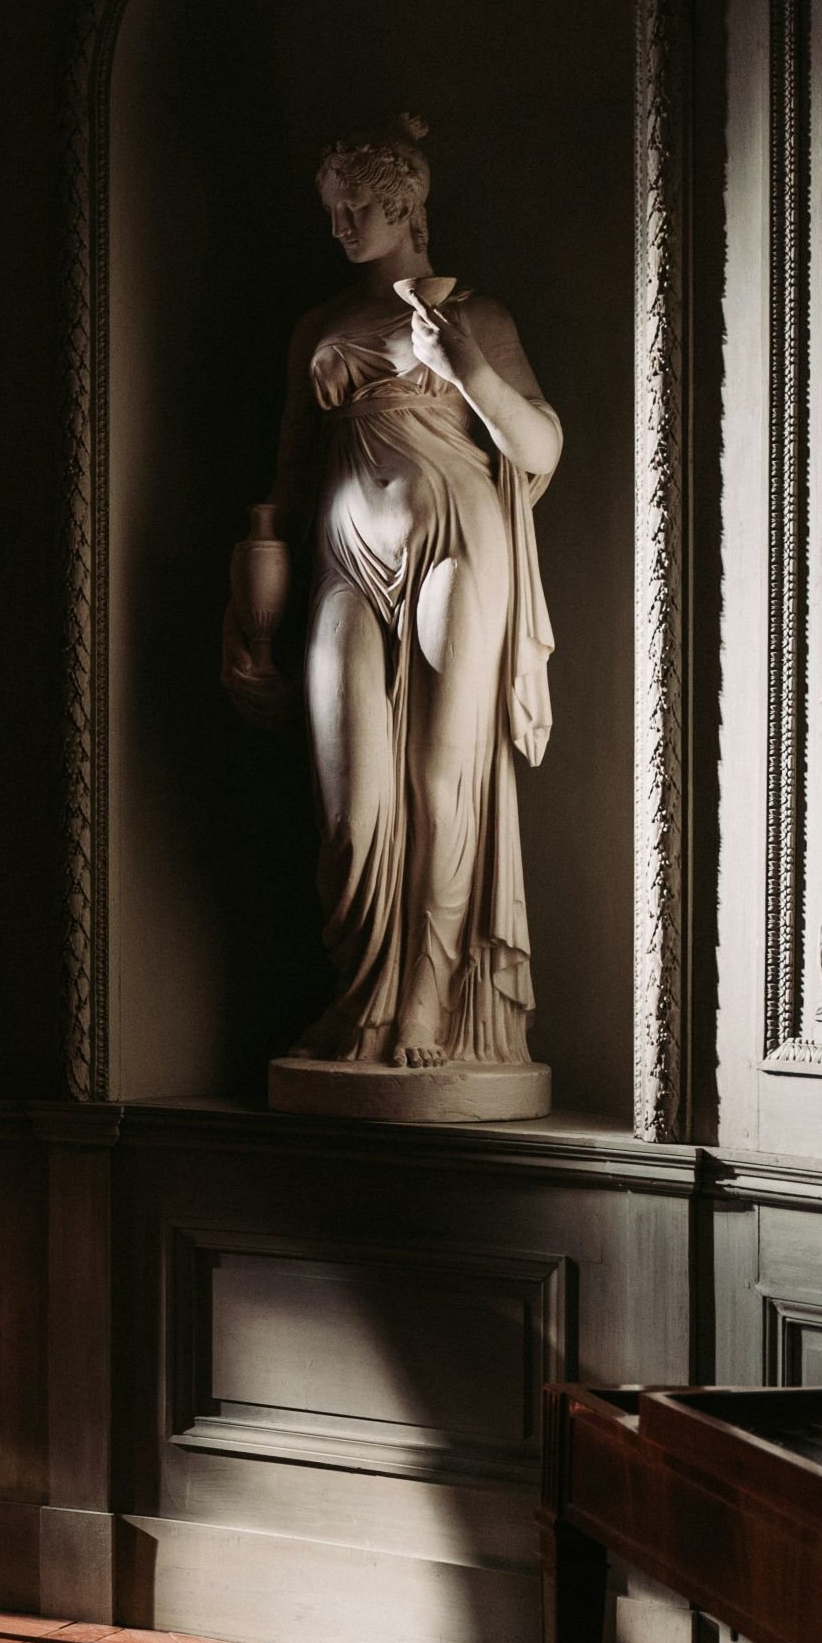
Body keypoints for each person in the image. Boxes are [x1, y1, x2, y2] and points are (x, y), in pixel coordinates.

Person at [224, 115, 561, 1073]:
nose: (340, 225)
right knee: (352, 808)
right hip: (342, 561)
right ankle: (362, 995)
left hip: (461, 544)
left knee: (440, 780)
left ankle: (423, 1004)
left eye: (358, 206)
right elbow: (290, 471)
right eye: (332, 209)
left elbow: (540, 450)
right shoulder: (318, 329)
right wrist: (249, 609)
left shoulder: (477, 318)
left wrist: (469, 371)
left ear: (405, 204)